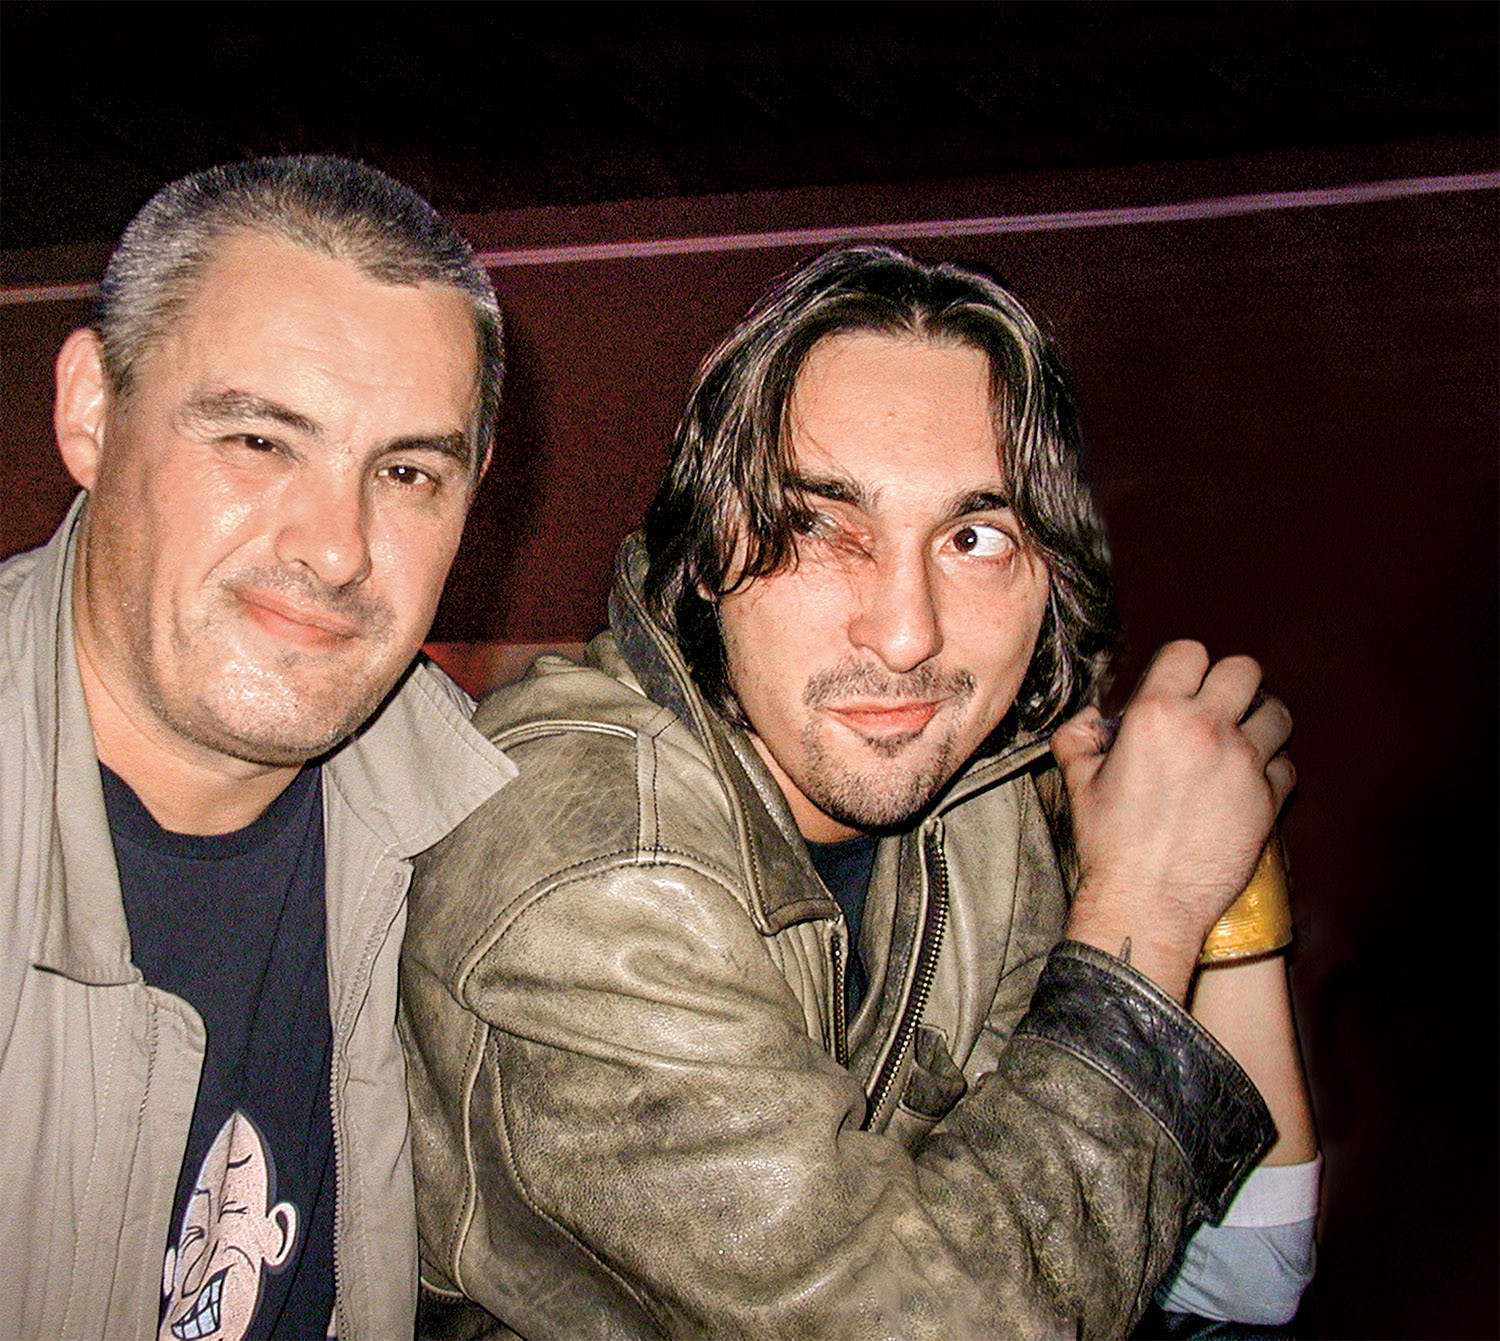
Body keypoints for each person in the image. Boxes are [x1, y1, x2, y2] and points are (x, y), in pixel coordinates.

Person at [401, 245, 1319, 1339]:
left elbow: (1240, 1275)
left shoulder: (974, 797)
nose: (907, 634)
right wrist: (1147, 910)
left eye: (974, 538)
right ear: (708, 549)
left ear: (1051, 581)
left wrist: (1224, 888)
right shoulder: (592, 873)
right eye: (820, 527)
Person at [0, 155, 517, 1340]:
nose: (337, 548)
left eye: (406, 472)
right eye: (257, 441)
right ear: (92, 411)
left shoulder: (486, 835)